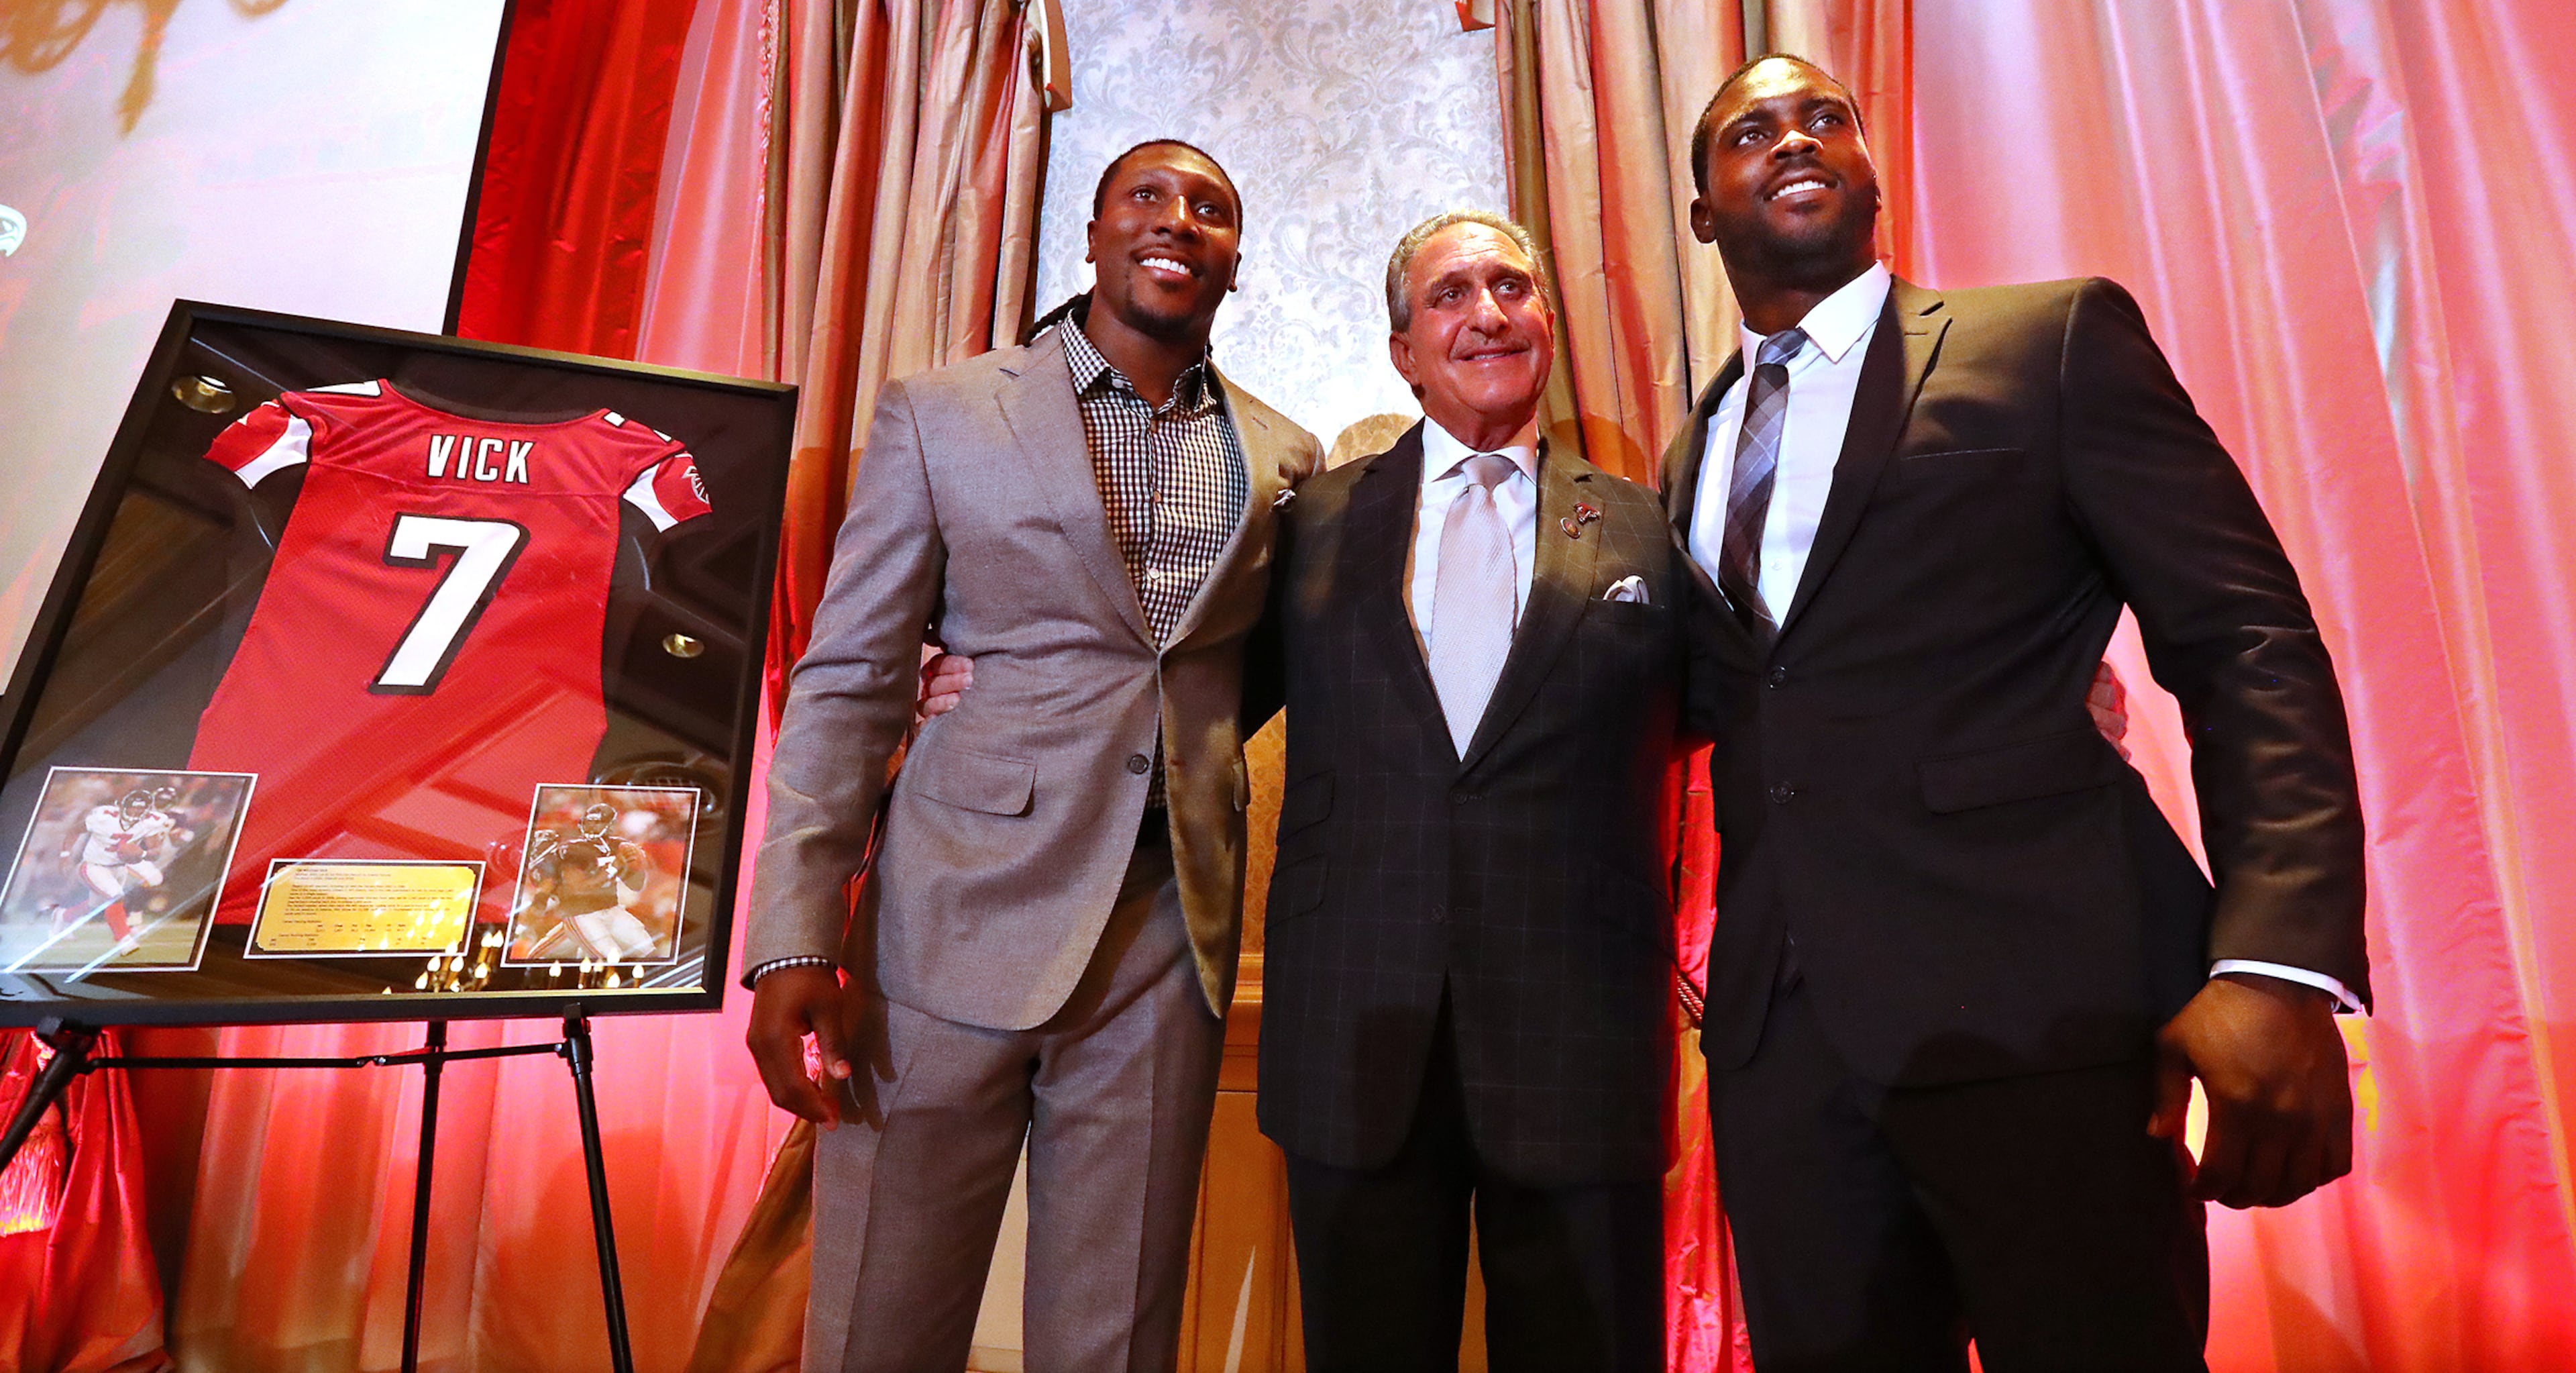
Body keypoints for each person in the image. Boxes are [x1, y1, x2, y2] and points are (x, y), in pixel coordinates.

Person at [1666, 54, 2369, 1370]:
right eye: (1749, 131)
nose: (1797, 138)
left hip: (2043, 1008)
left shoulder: (2046, 341)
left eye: (1828, 116)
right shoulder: (1694, 445)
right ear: (1703, 211)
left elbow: (2247, 639)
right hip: (1790, 1052)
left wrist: (2276, 961)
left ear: (1871, 170)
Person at [739, 140, 1322, 1373]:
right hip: (941, 929)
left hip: (1166, 939)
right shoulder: (944, 411)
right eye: (1146, 199)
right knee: (879, 1324)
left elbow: (1241, 677)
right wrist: (791, 932)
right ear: (1096, 236)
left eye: (1210, 209)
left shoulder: (1283, 457)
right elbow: (846, 676)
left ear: (1236, 260)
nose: (1177, 222)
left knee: (1114, 1340)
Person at [1248, 210, 1710, 1372]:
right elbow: (1183, 700)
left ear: (1548, 324)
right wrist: (971, 681)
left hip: (1582, 1046)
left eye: (1513, 287)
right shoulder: (1310, 522)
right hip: (1355, 1040)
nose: (1488, 312)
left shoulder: (1650, 527)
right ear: (1404, 348)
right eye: (1451, 294)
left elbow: (1764, 705)